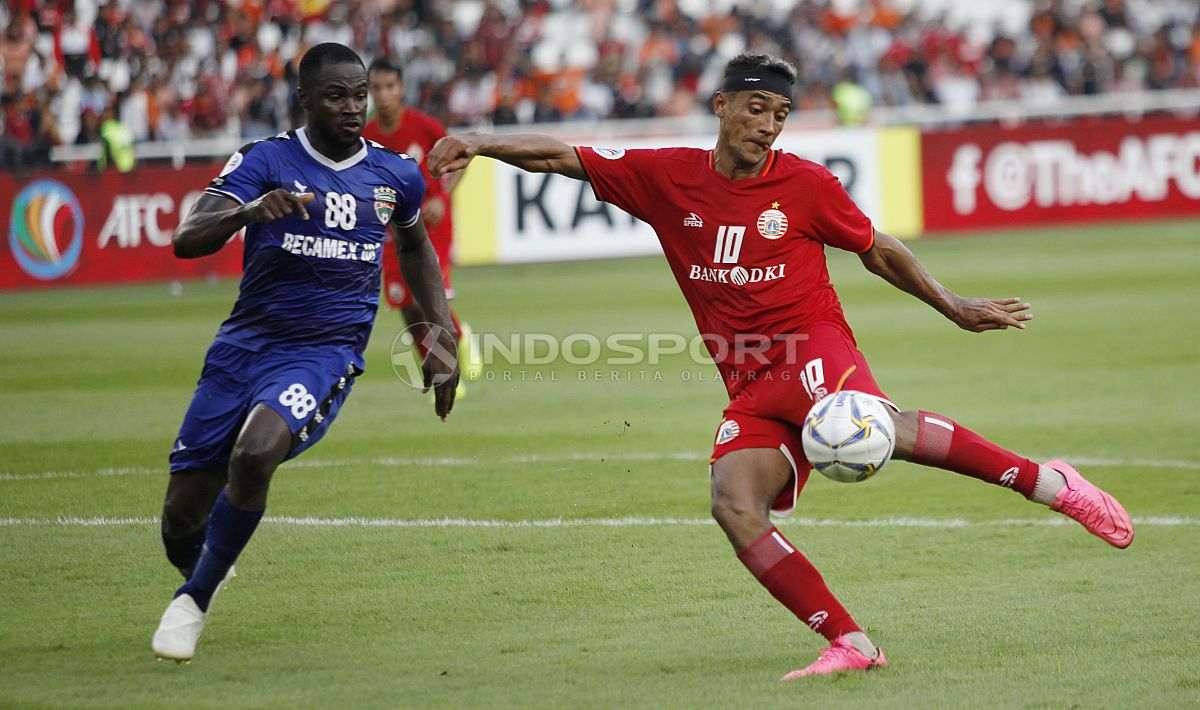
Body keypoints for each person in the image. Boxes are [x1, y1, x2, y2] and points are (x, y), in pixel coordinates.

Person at [427, 52, 1133, 679]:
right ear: (723, 106)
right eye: (757, 109)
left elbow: (876, 247)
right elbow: (562, 156)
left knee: (877, 429)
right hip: (749, 382)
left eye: (781, 114)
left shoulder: (803, 184)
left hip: (814, 346)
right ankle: (851, 642)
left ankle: (1050, 483)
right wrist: (481, 142)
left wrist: (952, 304)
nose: (767, 125)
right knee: (734, 504)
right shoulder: (666, 177)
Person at [151, 43, 460, 663]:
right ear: (305, 100)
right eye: (336, 96)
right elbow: (186, 238)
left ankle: (194, 601)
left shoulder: (395, 172)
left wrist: (438, 337)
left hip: (324, 351)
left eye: (360, 94)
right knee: (181, 517)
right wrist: (247, 211)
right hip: (245, 346)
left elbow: (417, 248)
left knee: (256, 452)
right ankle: (208, 561)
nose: (353, 107)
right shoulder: (265, 161)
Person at [363, 59, 481, 390]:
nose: (384, 95)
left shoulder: (424, 126)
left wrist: (441, 196)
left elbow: (461, 158)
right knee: (406, 307)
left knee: (423, 297)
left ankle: (454, 350)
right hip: (392, 232)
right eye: (377, 88)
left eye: (390, 87)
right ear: (370, 92)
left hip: (431, 227)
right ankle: (438, 370)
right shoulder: (367, 136)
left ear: (401, 89)